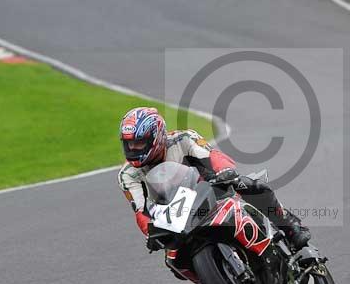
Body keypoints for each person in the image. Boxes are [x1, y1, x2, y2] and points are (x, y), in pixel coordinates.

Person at [117, 107, 310, 250]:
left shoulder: (182, 138)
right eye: (129, 144)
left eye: (139, 143)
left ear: (156, 137)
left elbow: (211, 155)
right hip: (176, 214)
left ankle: (290, 226)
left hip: (211, 189)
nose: (133, 149)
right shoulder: (127, 175)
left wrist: (224, 171)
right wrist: (150, 231)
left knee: (250, 186)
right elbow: (141, 209)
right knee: (172, 259)